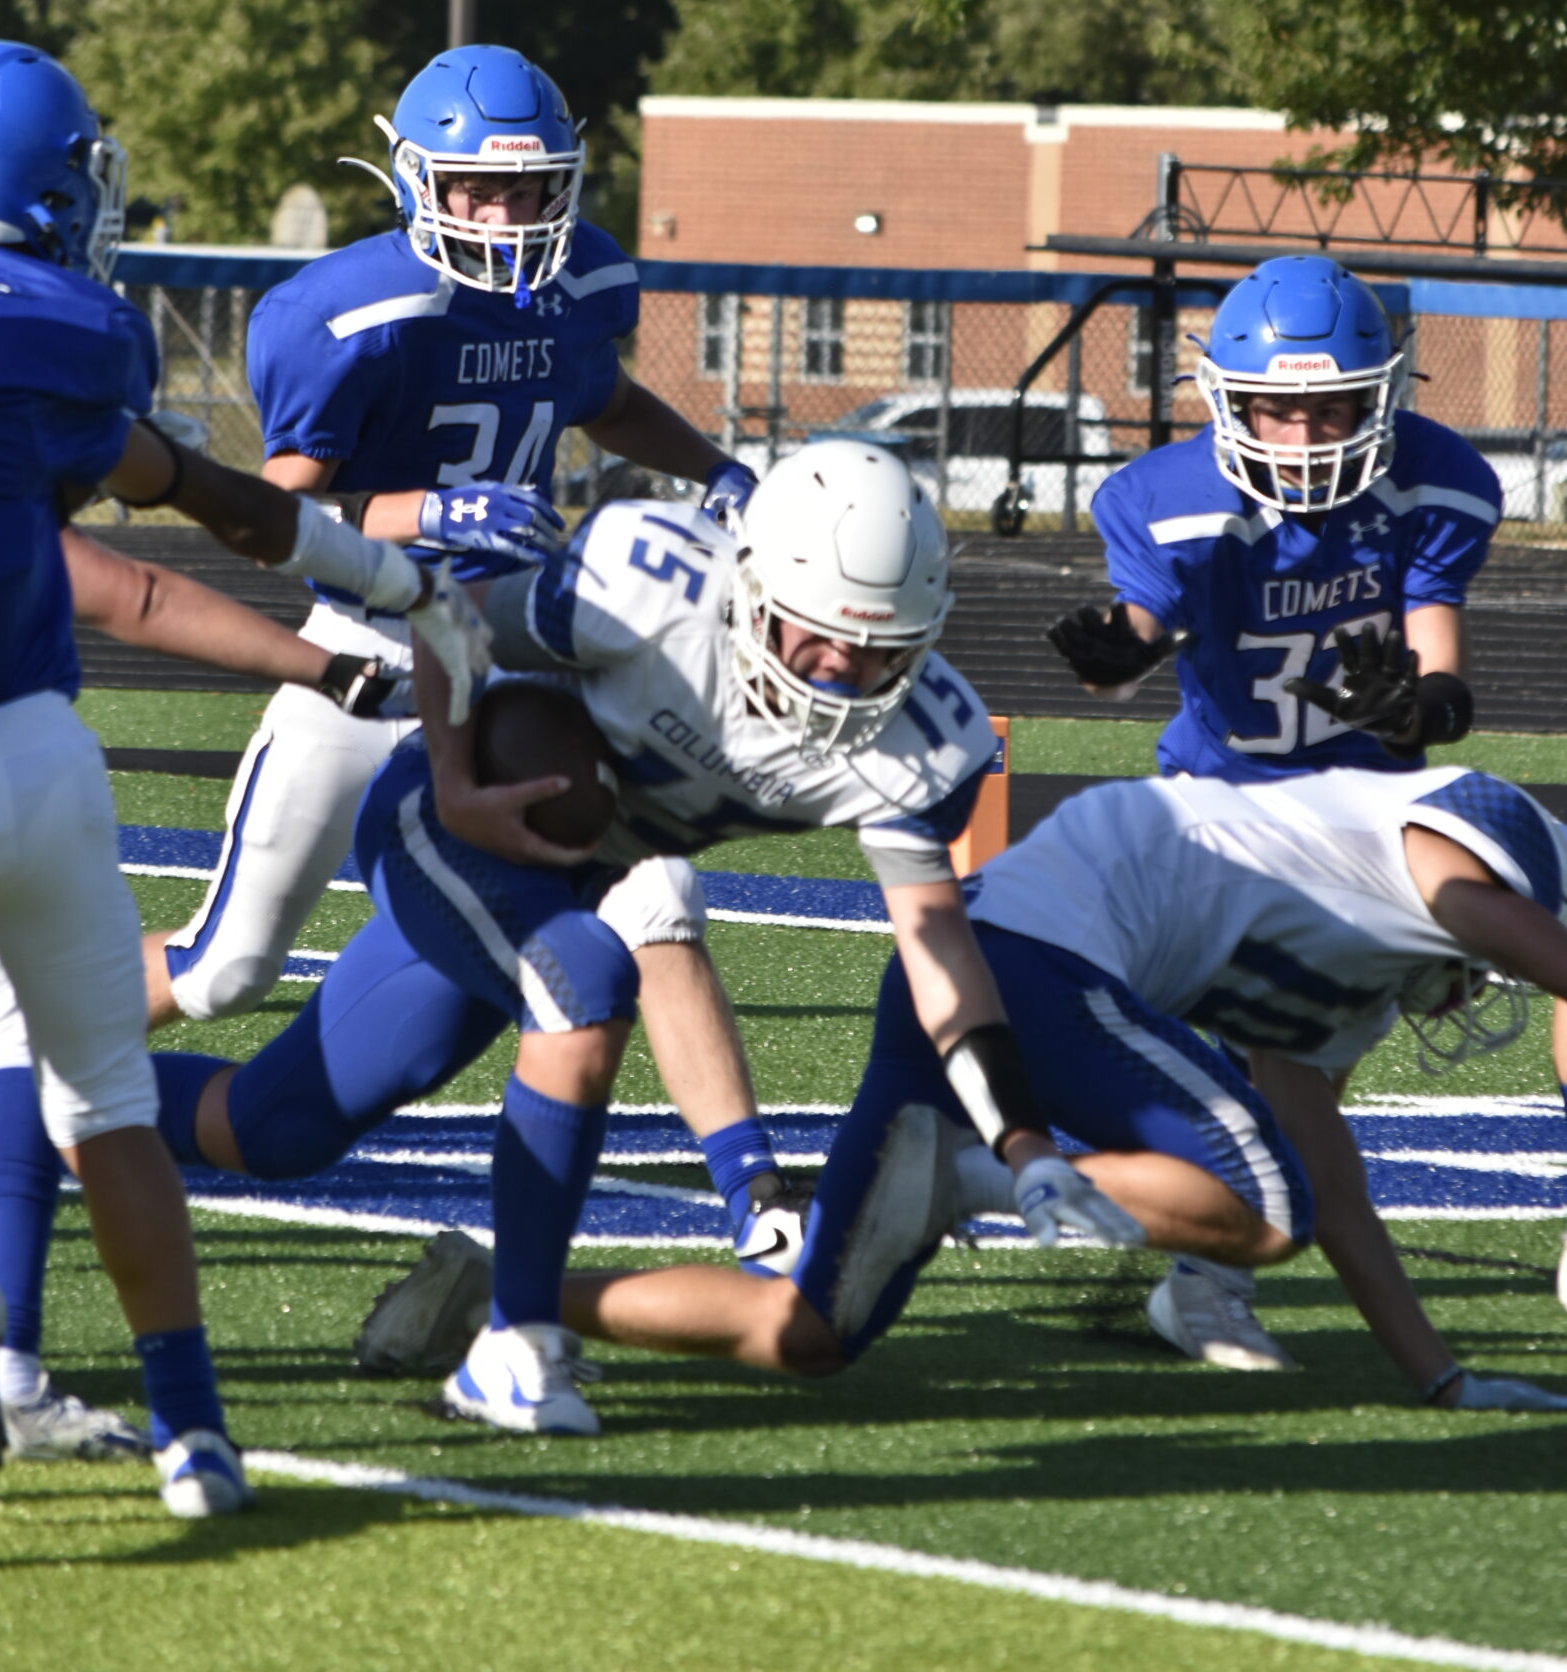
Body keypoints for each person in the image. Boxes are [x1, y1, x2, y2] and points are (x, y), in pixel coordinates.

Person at [137, 439, 1142, 1436]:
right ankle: (514, 1346)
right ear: (756, 587)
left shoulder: (924, 742)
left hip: (562, 886)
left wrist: (1025, 1145)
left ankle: (58, 1102)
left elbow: (939, 951)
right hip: (446, 824)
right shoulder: (648, 587)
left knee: (269, 1131)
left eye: (882, 647)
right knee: (587, 982)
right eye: (816, 632)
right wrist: (455, 781)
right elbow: (449, 621)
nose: (844, 668)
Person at [78, 40, 800, 1271]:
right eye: (480, 189)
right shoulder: (353, 311)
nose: (507, 217)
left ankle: (757, 1195)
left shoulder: (580, 281)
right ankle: (10, 1055)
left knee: (655, 895)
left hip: (503, 651)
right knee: (228, 963)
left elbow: (601, 397)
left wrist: (717, 466)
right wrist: (428, 509)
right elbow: (272, 509)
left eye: (530, 189)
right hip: (363, 653)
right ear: (418, 181)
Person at [0, 97, 443, 1510]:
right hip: (36, 757)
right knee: (107, 1102)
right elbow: (182, 505)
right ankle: (194, 1433)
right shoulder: (20, 352)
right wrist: (382, 594)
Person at [437, 759, 1567, 1420]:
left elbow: (1339, 1192)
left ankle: (510, 1295)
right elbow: (1466, 898)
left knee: (808, 1331)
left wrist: (1443, 1378)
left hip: (956, 968)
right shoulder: (1486, 834)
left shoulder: (1359, 984)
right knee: (1263, 1209)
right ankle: (971, 1175)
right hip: (1038, 948)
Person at [1045, 253, 1502, 1370]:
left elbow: (1441, 672)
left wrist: (1416, 708)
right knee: (1283, 1056)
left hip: (1363, 801)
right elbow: (1138, 629)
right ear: (1227, 400)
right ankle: (1185, 1264)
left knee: (1309, 1069)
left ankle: (1199, 1275)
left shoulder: (1436, 481)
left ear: (1380, 396)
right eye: (1276, 410)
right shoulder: (1165, 497)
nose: (1301, 437)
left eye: (1329, 409)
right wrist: (1116, 653)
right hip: (1221, 801)